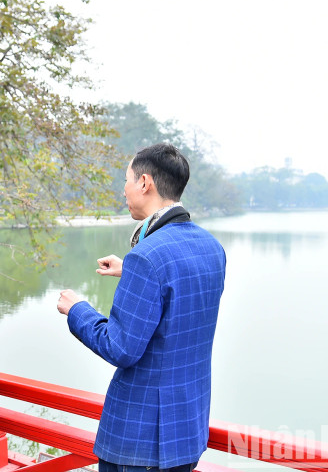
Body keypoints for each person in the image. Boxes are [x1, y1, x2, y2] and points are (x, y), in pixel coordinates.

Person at [57, 143, 227, 472]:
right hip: (187, 429)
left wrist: (78, 309)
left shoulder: (148, 257)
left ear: (145, 183)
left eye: (126, 180)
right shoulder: (211, 247)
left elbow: (120, 347)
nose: (123, 190)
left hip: (142, 442)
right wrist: (130, 270)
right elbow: (180, 292)